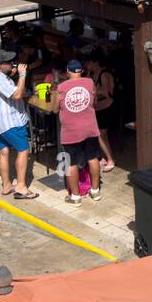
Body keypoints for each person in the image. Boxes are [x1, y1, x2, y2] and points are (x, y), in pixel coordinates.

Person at [0, 50, 36, 199]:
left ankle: (6, 185)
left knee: (4, 152)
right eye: (8, 62)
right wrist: (23, 75)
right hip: (11, 122)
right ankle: (21, 186)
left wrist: (12, 76)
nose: (12, 63)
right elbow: (17, 95)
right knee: (23, 150)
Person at [55, 60, 102, 205]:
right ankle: (95, 191)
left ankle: (75, 197)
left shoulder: (61, 87)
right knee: (93, 158)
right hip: (90, 128)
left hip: (71, 131)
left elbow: (55, 109)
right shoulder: (89, 82)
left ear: (68, 72)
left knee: (71, 163)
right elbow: (94, 102)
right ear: (81, 71)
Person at [84, 50, 117, 170]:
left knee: (101, 134)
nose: (86, 65)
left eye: (88, 62)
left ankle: (110, 159)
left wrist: (94, 92)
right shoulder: (93, 73)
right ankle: (102, 156)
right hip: (98, 107)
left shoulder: (104, 74)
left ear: (95, 62)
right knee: (94, 133)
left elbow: (107, 93)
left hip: (107, 107)